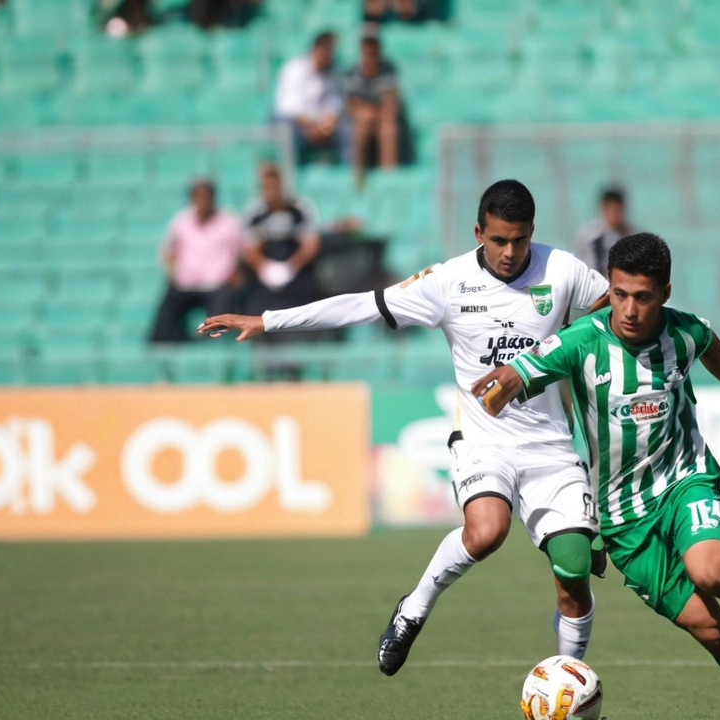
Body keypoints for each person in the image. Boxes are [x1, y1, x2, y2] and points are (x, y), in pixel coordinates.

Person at [196, 179, 611, 676]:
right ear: (478, 232)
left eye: (519, 240)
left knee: (574, 571)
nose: (508, 251)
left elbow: (616, 306)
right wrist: (267, 320)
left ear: (532, 233)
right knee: (486, 533)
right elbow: (359, 306)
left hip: (551, 447)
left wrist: (569, 345)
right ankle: (413, 608)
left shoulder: (562, 270)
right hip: (485, 441)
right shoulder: (447, 282)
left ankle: (567, 685)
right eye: (498, 239)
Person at [473, 234, 720, 720]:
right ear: (609, 288)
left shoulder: (682, 332)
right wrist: (505, 382)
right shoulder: (580, 341)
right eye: (621, 294)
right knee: (716, 635)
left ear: (664, 293)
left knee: (710, 571)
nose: (629, 309)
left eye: (643, 297)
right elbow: (523, 370)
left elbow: (710, 344)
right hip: (623, 520)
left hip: (682, 479)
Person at [148, 179, 245, 343]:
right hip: (185, 285)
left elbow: (244, 250)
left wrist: (237, 272)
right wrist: (172, 269)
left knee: (221, 328)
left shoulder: (229, 221)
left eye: (206, 197)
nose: (203, 201)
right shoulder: (180, 221)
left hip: (217, 285)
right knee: (163, 327)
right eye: (198, 197)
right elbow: (167, 251)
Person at [242, 163, 323, 319]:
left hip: (296, 265)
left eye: (274, 186)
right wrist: (265, 268)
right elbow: (249, 248)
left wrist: (291, 267)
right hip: (267, 267)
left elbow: (312, 243)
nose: (271, 191)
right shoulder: (254, 212)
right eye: (266, 187)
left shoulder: (300, 208)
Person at [274, 31, 347, 162]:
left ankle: (350, 174)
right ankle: (289, 174)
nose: (329, 55)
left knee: (348, 127)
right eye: (327, 50)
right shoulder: (294, 68)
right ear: (316, 48)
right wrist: (313, 126)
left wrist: (328, 122)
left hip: (321, 127)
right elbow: (288, 108)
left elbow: (336, 103)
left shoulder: (333, 73)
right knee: (286, 126)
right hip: (297, 125)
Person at [343, 35, 401, 184]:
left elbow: (391, 103)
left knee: (388, 128)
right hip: (363, 119)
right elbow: (350, 106)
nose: (370, 58)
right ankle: (358, 175)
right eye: (367, 54)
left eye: (373, 54)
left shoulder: (388, 71)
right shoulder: (352, 73)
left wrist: (371, 112)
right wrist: (367, 112)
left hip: (382, 118)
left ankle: (388, 180)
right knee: (362, 122)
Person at [574, 186, 635, 278]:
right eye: (611, 209)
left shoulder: (631, 234)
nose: (614, 214)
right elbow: (586, 265)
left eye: (617, 210)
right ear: (603, 208)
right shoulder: (590, 235)